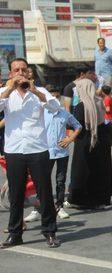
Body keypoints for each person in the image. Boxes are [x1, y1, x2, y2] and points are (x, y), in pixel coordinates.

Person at [0, 58, 61, 249]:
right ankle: (15, 234)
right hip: (15, 150)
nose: (20, 72)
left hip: (38, 149)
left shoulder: (39, 92)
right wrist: (9, 90)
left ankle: (50, 232)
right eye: (16, 70)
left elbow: (55, 108)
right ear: (10, 73)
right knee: (16, 194)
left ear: (28, 72)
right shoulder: (4, 93)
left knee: (44, 192)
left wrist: (35, 91)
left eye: (23, 69)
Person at [67, 78, 112, 209]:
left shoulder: (81, 106)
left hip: (85, 142)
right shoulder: (100, 102)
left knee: (82, 171)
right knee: (101, 171)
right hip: (101, 141)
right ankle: (101, 200)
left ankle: (79, 200)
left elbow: (76, 125)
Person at [45, 86, 82, 220]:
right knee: (43, 180)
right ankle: (39, 208)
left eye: (56, 97)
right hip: (45, 152)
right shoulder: (41, 113)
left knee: (60, 181)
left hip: (62, 153)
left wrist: (70, 138)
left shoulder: (65, 113)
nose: (54, 100)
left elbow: (78, 126)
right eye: (51, 98)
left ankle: (59, 207)